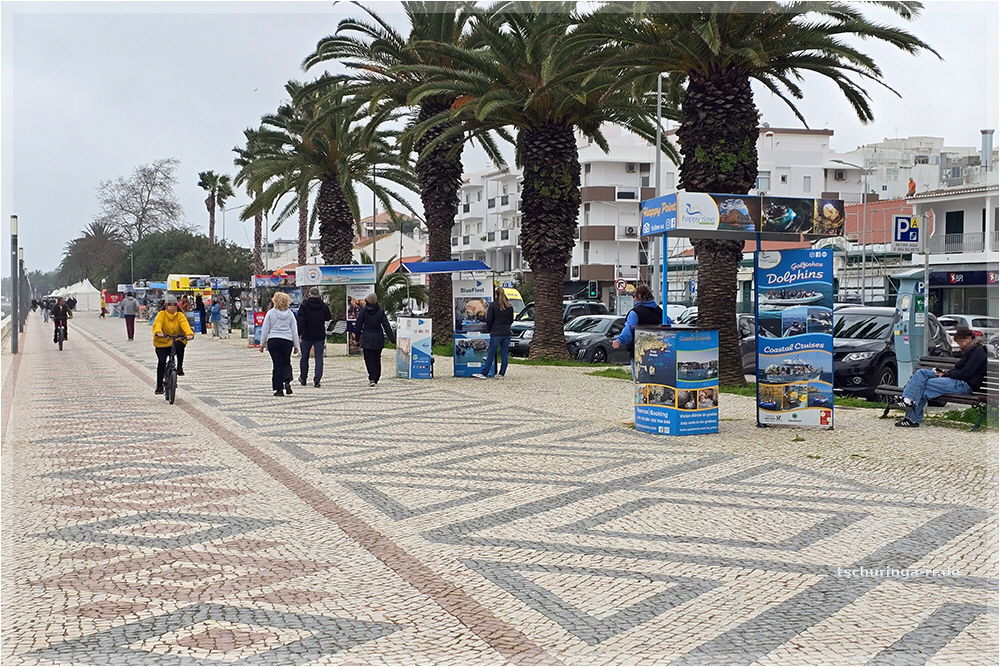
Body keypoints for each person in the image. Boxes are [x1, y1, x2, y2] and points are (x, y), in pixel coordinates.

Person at [896, 327, 989, 427]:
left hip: (964, 385)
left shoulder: (978, 352)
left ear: (970, 338)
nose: (961, 345)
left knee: (922, 385)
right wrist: (944, 373)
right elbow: (959, 370)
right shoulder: (971, 350)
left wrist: (946, 374)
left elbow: (966, 373)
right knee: (921, 373)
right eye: (959, 343)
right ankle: (908, 401)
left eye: (962, 342)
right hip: (956, 381)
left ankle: (911, 415)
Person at [152, 294, 194, 395]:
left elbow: (185, 325)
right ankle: (159, 386)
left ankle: (179, 367)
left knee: (180, 345)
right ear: (166, 306)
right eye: (170, 305)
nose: (172, 307)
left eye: (174, 305)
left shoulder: (180, 315)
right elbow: (157, 324)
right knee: (162, 362)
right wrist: (158, 332)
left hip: (175, 341)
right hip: (162, 342)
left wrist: (189, 334)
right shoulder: (161, 314)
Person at [611, 284, 670, 355]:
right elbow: (671, 324)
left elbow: (629, 328)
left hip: (640, 352)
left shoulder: (635, 312)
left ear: (637, 297)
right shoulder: (660, 311)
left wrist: (620, 340)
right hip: (659, 350)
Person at [260, 292, 299, 396]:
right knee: (286, 361)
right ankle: (287, 381)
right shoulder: (290, 314)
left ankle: (279, 389)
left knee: (277, 364)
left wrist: (262, 343)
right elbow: (294, 330)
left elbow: (265, 329)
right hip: (287, 340)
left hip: (274, 340)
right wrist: (296, 346)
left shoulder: (270, 313)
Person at [472, 287, 515, 379]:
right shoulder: (510, 306)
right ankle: (501, 374)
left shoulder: (493, 305)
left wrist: (488, 328)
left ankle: (484, 373)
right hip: (507, 333)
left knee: (491, 354)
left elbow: (489, 319)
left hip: (496, 333)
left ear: (496, 295)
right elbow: (511, 320)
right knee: (504, 354)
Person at [355, 293, 395, 386]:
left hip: (367, 338)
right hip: (378, 338)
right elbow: (386, 326)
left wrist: (357, 338)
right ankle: (376, 376)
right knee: (377, 358)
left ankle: (372, 378)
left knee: (369, 359)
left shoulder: (364, 311)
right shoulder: (380, 311)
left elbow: (358, 325)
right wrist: (392, 339)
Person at [296, 287, 332, 388]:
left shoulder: (304, 305)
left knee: (304, 357)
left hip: (307, 334)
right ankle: (317, 379)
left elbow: (300, 321)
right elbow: (328, 317)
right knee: (319, 357)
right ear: (318, 294)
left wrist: (299, 333)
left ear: (309, 294)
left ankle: (303, 378)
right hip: (319, 334)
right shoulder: (323, 305)